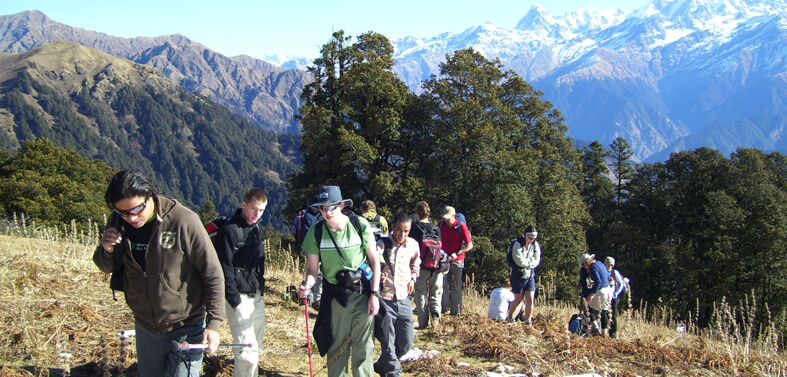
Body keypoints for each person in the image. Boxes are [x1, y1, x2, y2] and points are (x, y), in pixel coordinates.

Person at [93, 169, 225, 377]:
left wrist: (214, 324)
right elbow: (105, 266)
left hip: (186, 325)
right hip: (146, 327)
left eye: (137, 209)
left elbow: (212, 272)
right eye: (124, 212)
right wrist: (108, 249)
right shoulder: (118, 223)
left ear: (150, 196)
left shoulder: (183, 220)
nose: (132, 217)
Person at [298, 186, 381, 377]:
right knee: (337, 347)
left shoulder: (360, 225)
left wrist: (375, 295)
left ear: (342, 205)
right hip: (335, 298)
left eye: (332, 207)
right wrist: (307, 285)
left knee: (364, 348)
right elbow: (312, 269)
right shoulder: (316, 233)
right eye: (323, 208)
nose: (327, 212)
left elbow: (374, 260)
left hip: (363, 294)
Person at [215, 188, 267, 377]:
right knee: (247, 352)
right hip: (238, 297)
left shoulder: (256, 229)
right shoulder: (229, 230)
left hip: (255, 295)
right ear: (243, 204)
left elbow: (260, 262)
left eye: (261, 211)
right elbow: (224, 267)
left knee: (255, 349)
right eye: (254, 209)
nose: (257, 214)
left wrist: (261, 288)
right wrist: (234, 300)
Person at [373, 213, 420, 377]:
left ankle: (381, 364)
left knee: (406, 342)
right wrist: (378, 275)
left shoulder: (413, 245)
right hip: (385, 298)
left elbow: (416, 263)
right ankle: (394, 373)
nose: (402, 234)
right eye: (399, 230)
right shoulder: (382, 244)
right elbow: (373, 262)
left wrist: (413, 279)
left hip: (403, 297)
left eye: (406, 231)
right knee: (388, 341)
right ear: (393, 227)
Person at [410, 201, 444, 328]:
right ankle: (436, 318)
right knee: (436, 293)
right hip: (436, 265)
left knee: (421, 294)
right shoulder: (436, 229)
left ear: (417, 213)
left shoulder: (415, 228)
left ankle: (423, 323)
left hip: (421, 265)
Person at [439, 206, 473, 315]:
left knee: (456, 286)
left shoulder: (461, 226)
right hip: (444, 259)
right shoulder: (441, 225)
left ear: (454, 216)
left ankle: (456, 311)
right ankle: (444, 308)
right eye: (445, 218)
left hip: (457, 259)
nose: (446, 220)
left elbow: (470, 245)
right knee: (443, 284)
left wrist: (458, 252)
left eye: (448, 218)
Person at [507, 225, 541, 324]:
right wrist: (530, 263)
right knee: (518, 299)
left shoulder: (535, 245)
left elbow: (537, 260)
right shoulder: (517, 244)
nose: (531, 240)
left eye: (534, 238)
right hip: (518, 275)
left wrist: (529, 264)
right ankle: (510, 316)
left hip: (530, 275)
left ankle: (528, 320)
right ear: (525, 236)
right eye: (530, 238)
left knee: (530, 298)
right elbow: (519, 261)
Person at [579, 253, 613, 336]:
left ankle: (595, 327)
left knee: (588, 308)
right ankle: (604, 333)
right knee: (604, 312)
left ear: (586, 263)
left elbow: (598, 282)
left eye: (583, 265)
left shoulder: (593, 268)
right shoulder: (599, 264)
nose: (583, 267)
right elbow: (603, 278)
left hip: (601, 292)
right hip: (608, 290)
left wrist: (592, 294)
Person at [604, 256, 626, 339]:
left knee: (613, 316)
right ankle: (605, 332)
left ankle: (614, 334)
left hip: (614, 297)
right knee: (604, 314)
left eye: (611, 265)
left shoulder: (614, 272)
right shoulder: (603, 272)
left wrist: (616, 293)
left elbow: (621, 284)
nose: (609, 266)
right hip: (605, 297)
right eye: (608, 264)